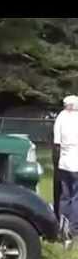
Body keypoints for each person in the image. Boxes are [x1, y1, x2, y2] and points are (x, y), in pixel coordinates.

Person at [54, 95, 78, 235]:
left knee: (65, 196)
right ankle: (74, 229)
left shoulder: (61, 118)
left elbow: (57, 142)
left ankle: (63, 226)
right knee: (76, 197)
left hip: (64, 163)